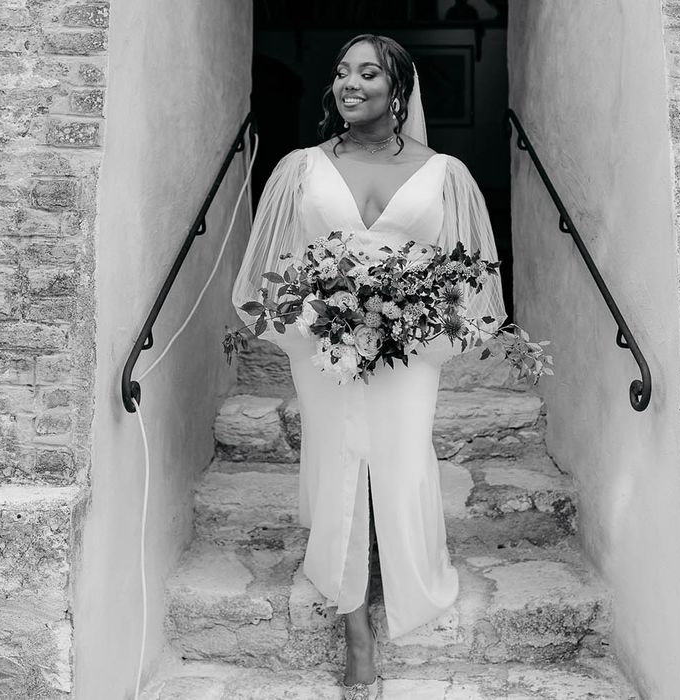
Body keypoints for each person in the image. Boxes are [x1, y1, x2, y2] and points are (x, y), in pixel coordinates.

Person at [231, 34, 506, 700]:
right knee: (340, 456)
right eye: (341, 73)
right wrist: (324, 302)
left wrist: (418, 309)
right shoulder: (301, 168)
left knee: (404, 454)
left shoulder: (446, 174)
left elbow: (463, 272)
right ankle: (354, 625)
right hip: (329, 347)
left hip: (407, 351)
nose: (349, 84)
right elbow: (277, 266)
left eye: (368, 73)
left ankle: (405, 565)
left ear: (398, 90)